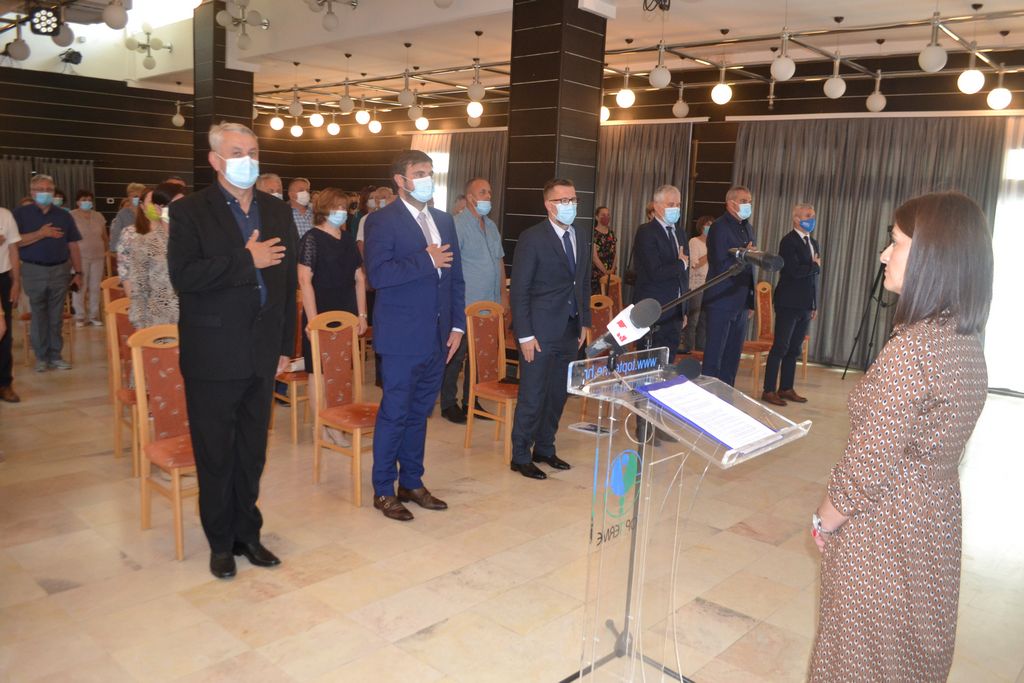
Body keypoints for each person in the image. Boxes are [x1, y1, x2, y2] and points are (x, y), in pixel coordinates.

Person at [809, 191, 992, 682]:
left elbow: (868, 463)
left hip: (885, 531)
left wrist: (824, 518)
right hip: (933, 521)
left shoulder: (912, 349)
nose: (884, 254)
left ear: (933, 256)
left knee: (859, 657)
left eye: (896, 242)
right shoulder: (963, 340)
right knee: (908, 653)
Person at [167, 122, 297, 579]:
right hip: (213, 353)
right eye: (237, 152)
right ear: (215, 160)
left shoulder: (276, 210)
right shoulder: (190, 211)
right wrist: (246, 260)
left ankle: (248, 534)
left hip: (262, 352)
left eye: (253, 151)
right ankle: (220, 542)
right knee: (216, 454)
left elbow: (285, 285)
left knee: (252, 452)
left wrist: (285, 346)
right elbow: (184, 276)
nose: (248, 159)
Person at [364, 149, 465, 521]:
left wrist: (457, 326)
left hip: (438, 337)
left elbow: (455, 278)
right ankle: (383, 489)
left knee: (420, 413)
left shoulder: (443, 220)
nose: (427, 179)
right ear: (400, 180)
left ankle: (411, 482)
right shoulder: (381, 221)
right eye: (420, 173)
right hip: (401, 337)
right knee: (395, 413)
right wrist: (426, 260)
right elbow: (379, 275)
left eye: (430, 172)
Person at [509, 178, 591, 480]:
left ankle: (544, 448)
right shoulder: (532, 238)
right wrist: (525, 334)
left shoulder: (580, 235)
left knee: (558, 395)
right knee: (533, 395)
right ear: (548, 205)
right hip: (539, 331)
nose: (570, 205)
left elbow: (583, 282)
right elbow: (520, 290)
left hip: (570, 329)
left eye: (573, 199)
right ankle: (520, 455)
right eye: (562, 200)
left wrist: (584, 322)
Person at [441, 177, 504, 424]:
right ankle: (448, 403)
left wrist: (503, 296)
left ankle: (471, 400)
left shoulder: (492, 226)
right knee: (457, 355)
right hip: (465, 303)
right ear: (469, 197)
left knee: (479, 355)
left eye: (489, 192)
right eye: (482, 192)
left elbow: (499, 261)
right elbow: (450, 266)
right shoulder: (457, 225)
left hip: (489, 303)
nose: (488, 196)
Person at [14, 174, 82, 372]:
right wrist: (40, 234)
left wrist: (78, 272)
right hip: (33, 270)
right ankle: (41, 357)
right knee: (39, 314)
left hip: (60, 269)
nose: (45, 193)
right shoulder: (20, 213)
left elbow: (73, 245)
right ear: (32, 192)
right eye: (41, 190)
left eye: (49, 190)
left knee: (56, 315)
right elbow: (15, 242)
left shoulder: (63, 215)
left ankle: (55, 355)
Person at [298, 187, 368, 374]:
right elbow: (304, 280)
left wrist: (362, 315)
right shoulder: (312, 238)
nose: (341, 211)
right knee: (319, 370)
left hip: (347, 309)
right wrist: (313, 321)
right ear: (323, 209)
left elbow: (360, 278)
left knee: (342, 369)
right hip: (320, 308)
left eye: (344, 207)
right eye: (336, 207)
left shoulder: (347, 239)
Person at [762, 203, 821, 407]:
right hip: (788, 302)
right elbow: (793, 271)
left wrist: (814, 304)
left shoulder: (813, 242)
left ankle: (786, 388)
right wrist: (814, 266)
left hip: (805, 303)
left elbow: (812, 278)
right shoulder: (788, 241)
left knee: (794, 348)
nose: (811, 219)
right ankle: (769, 390)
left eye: (812, 215)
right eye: (807, 215)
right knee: (780, 346)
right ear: (796, 219)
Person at [702, 185, 756, 386]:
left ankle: (726, 397)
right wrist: (744, 255)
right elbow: (719, 263)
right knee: (715, 356)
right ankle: (707, 397)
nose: (748, 205)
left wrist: (751, 301)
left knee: (732, 358)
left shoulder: (747, 227)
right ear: (730, 203)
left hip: (741, 301)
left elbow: (751, 267)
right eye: (743, 201)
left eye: (749, 201)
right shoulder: (719, 227)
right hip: (722, 299)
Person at [632, 185, 689, 364]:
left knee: (668, 364)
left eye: (678, 205)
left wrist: (684, 309)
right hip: (653, 309)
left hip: (675, 311)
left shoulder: (680, 232)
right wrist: (681, 264)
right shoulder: (646, 232)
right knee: (648, 364)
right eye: (671, 204)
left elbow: (684, 275)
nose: (676, 209)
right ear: (656, 206)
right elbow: (655, 272)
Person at [123, 182, 184, 329]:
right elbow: (139, 290)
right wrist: (141, 328)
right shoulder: (144, 243)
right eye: (174, 205)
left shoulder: (194, 241)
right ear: (158, 208)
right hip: (159, 322)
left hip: (193, 322)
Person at [69, 190, 108, 327]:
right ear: (77, 202)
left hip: (98, 256)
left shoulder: (98, 216)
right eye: (84, 199)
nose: (87, 202)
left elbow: (104, 236)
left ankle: (94, 315)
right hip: (79, 256)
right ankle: (79, 316)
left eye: (89, 200)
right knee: (80, 286)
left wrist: (106, 249)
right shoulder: (71, 215)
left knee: (95, 287)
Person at [682, 215, 713, 353]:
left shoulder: (714, 244)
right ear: (701, 227)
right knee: (693, 319)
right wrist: (709, 253)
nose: (709, 228)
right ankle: (688, 347)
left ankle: (701, 348)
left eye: (712, 225)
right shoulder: (694, 242)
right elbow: (694, 264)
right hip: (696, 285)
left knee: (704, 320)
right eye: (707, 225)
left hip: (709, 285)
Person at [0, 207, 21, 402]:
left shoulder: (5, 215)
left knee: (4, 331)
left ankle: (4, 383)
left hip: (3, 278)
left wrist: (16, 282)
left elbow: (13, 249)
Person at [109, 182, 145, 254]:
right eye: (133, 196)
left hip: (144, 250)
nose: (136, 198)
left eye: (138, 196)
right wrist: (113, 249)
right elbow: (116, 232)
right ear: (128, 197)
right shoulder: (123, 213)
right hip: (127, 251)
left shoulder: (146, 212)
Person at [591, 206, 617, 295]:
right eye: (603, 215)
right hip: (597, 273)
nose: (606, 217)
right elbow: (594, 257)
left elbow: (615, 253)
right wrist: (605, 272)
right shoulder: (593, 234)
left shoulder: (611, 233)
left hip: (611, 273)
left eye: (608, 215)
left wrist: (612, 270)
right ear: (597, 217)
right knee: (598, 299)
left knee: (610, 297)